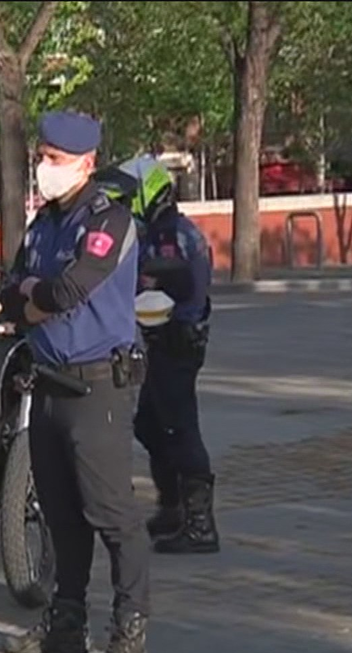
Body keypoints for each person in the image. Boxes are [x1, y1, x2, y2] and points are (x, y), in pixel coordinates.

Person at [0, 111, 152, 653]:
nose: (45, 167)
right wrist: (31, 298)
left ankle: (130, 633)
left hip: (97, 386)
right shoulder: (43, 224)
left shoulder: (109, 220)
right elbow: (10, 293)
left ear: (87, 164)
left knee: (111, 514)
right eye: (42, 156)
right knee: (60, 513)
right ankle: (66, 619)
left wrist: (34, 297)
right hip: (49, 383)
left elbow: (69, 290)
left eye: (55, 159)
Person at [114, 155, 219, 554]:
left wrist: (151, 275)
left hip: (177, 341)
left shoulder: (171, 235)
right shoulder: (160, 230)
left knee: (180, 429)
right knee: (150, 424)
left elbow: (178, 278)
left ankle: (200, 525)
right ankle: (172, 507)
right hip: (163, 342)